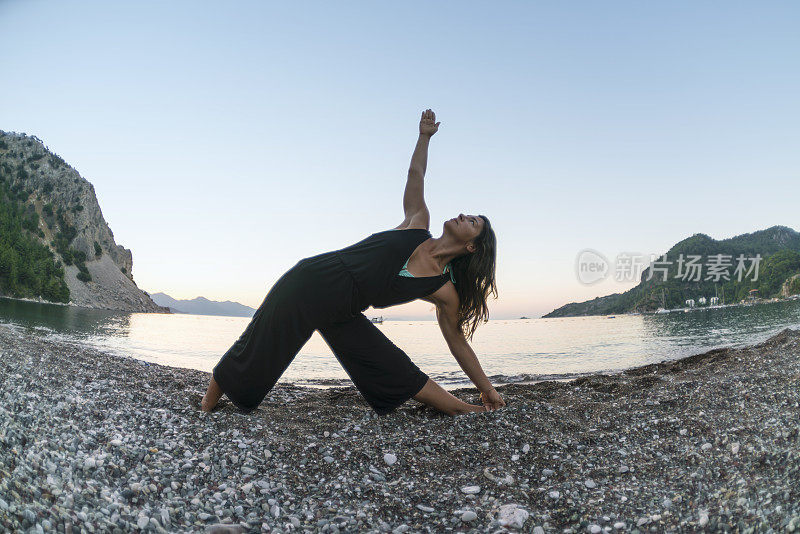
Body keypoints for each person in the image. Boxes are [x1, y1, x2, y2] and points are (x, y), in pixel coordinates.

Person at [201, 109, 505, 416]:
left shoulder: (443, 288)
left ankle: (466, 410)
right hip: (311, 281)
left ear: (471, 247)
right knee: (259, 346)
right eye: (469, 214)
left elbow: (458, 343)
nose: (465, 215)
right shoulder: (417, 224)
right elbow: (416, 175)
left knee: (390, 363)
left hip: (342, 310)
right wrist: (424, 137)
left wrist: (486, 387)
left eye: (473, 222)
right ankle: (206, 406)